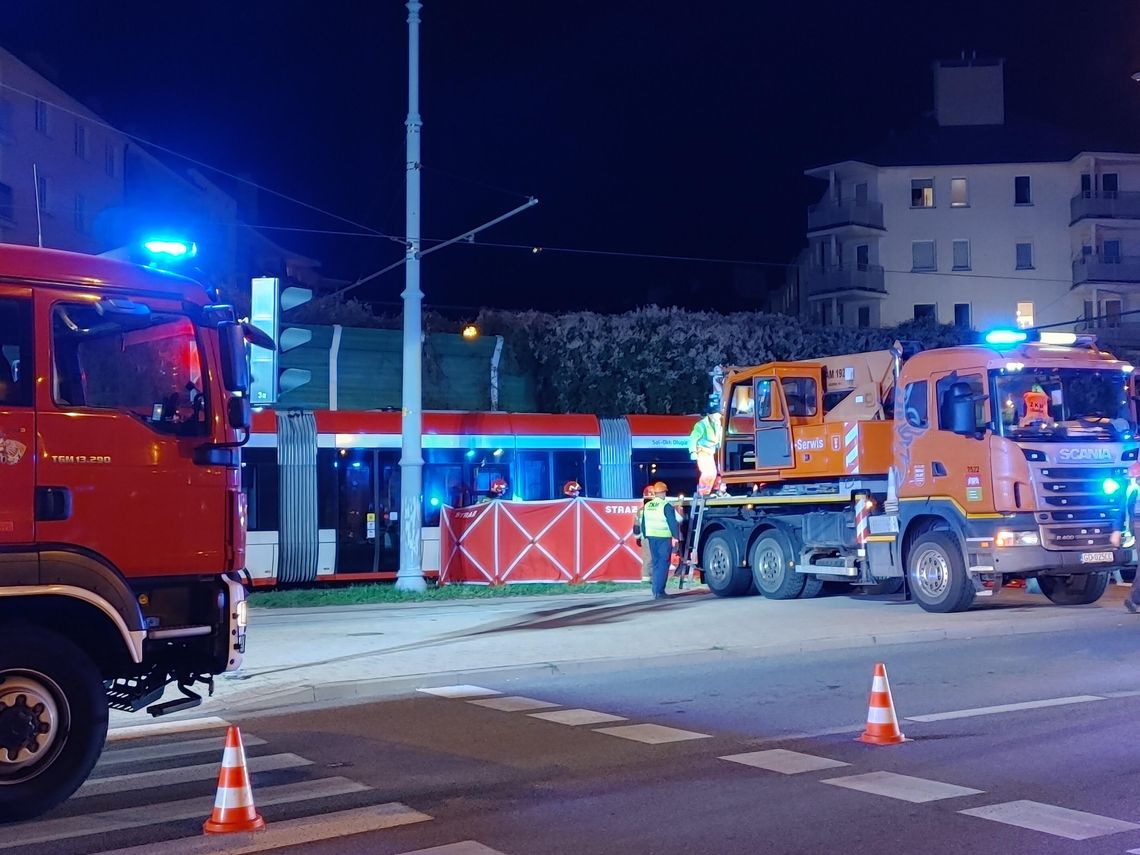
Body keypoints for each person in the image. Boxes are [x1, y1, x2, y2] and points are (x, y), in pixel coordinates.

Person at [642, 481, 680, 600]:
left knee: (656, 564)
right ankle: (660, 592)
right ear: (663, 492)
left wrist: (646, 535)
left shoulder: (648, 506)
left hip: (652, 538)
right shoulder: (666, 505)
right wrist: (676, 536)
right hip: (663, 538)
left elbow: (644, 523)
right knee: (664, 564)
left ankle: (655, 590)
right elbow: (672, 522)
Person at [688, 408, 723, 496]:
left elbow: (719, 436)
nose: (718, 416)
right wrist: (693, 451)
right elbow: (693, 438)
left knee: (713, 473)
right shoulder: (701, 425)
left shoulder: (717, 423)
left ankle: (709, 491)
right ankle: (703, 492)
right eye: (716, 414)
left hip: (710, 452)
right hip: (702, 451)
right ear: (710, 415)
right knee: (707, 473)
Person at [632, 484, 655, 582]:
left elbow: (636, 527)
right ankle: (652, 578)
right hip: (657, 536)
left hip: (645, 538)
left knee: (647, 558)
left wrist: (637, 538)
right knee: (655, 558)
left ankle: (646, 578)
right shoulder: (657, 509)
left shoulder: (640, 511)